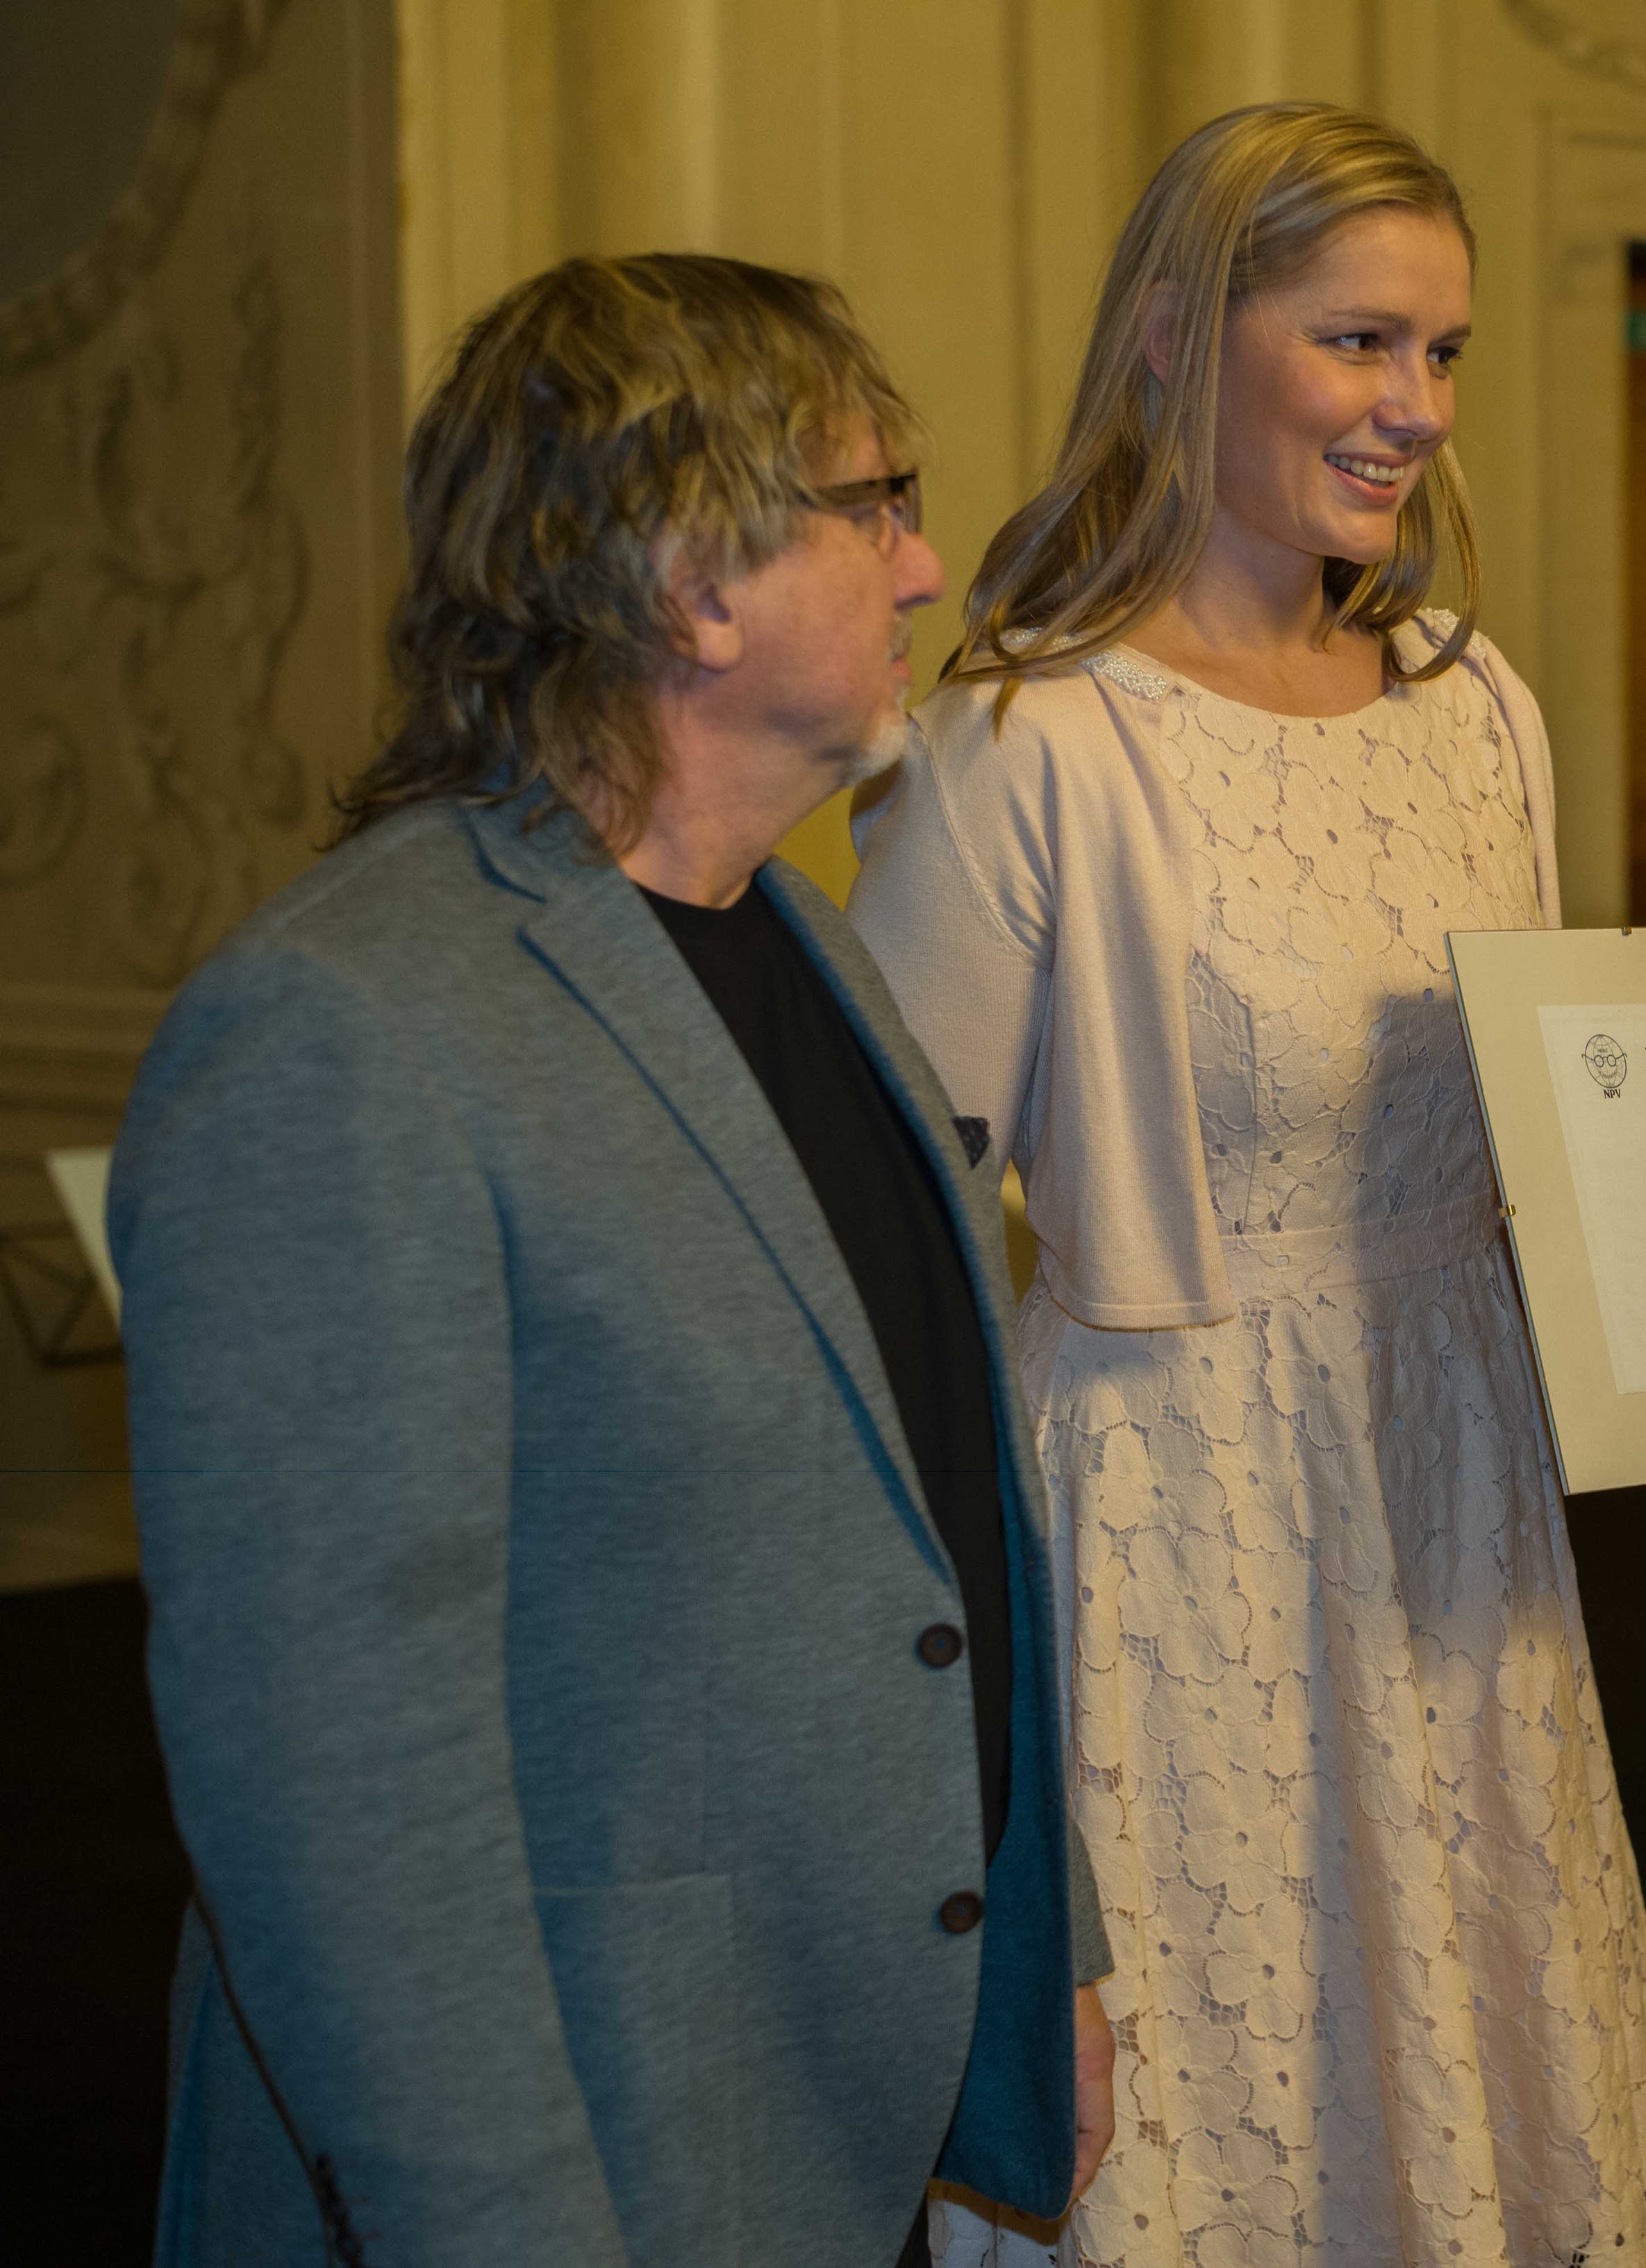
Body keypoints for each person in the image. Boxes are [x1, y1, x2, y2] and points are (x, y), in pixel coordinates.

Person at [850, 104, 1646, 2268]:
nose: (1417, 407)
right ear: (1175, 342)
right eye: (1359, 340)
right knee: (1224, 2151)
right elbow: (882, 1262)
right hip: (1177, 1525)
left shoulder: (1478, 706)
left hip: (1456, 1495)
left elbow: (1557, 1159)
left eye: (1445, 352)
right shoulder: (1029, 743)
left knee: (1451, 2141)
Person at [111, 254, 1113, 2268]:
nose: (928, 565)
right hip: (564, 2150)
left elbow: (939, 1520)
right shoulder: (344, 1025)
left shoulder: (807, 943)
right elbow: (333, 1783)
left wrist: (1042, 1957)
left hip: (816, 2108)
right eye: (877, 502)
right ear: (690, 578)